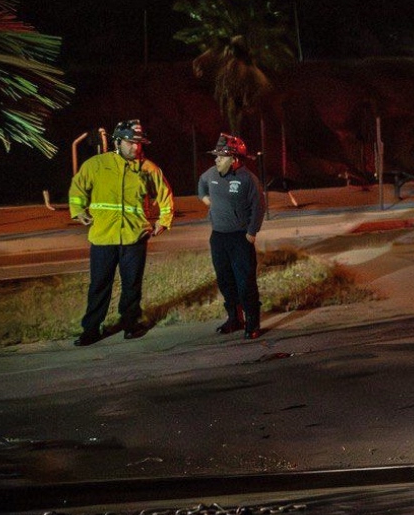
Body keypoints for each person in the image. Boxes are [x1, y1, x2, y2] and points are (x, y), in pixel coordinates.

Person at [67, 119, 174, 345]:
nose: (135, 147)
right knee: (99, 285)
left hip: (135, 237)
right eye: (130, 142)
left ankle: (130, 324)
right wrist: (77, 211)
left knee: (132, 285)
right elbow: (78, 188)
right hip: (103, 236)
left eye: (139, 143)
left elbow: (165, 195)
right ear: (117, 141)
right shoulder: (96, 165)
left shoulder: (148, 169)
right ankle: (91, 329)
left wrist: (164, 220)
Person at [197, 133, 266, 339]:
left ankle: (252, 323)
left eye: (221, 156)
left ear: (234, 159)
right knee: (225, 281)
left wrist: (252, 233)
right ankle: (234, 320)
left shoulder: (248, 180)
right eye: (216, 156)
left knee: (245, 282)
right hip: (218, 238)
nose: (216, 159)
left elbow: (259, 208)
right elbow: (201, 186)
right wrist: (206, 200)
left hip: (240, 239)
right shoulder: (211, 174)